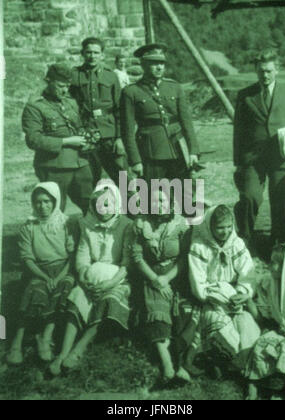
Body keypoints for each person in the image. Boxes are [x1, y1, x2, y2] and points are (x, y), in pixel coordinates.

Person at [49, 183, 133, 376]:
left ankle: (79, 348)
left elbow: (127, 264)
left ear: (116, 204)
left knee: (108, 301)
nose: (103, 209)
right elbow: (82, 257)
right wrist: (85, 277)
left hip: (117, 279)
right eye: (98, 205)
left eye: (108, 204)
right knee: (77, 296)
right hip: (92, 277)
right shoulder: (86, 225)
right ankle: (62, 353)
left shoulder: (127, 225)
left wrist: (110, 283)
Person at [132, 189, 201, 385]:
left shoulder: (181, 225)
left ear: (171, 203)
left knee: (180, 312)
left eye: (162, 200)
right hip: (151, 276)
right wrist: (156, 279)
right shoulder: (141, 225)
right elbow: (137, 257)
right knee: (157, 311)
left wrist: (167, 278)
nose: (159, 204)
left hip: (177, 276)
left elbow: (184, 257)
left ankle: (180, 363)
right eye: (154, 201)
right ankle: (168, 366)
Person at [233, 49, 285, 249]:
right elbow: (239, 131)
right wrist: (238, 163)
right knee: (250, 196)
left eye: (269, 71)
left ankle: (278, 243)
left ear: (277, 70)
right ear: (256, 70)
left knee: (279, 201)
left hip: (282, 156)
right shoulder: (245, 96)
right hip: (253, 159)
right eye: (261, 71)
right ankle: (245, 240)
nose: (265, 75)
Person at [6, 183, 76, 366]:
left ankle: (45, 336)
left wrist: (59, 277)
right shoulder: (29, 226)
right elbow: (27, 258)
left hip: (62, 269)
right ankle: (17, 341)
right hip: (38, 269)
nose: (42, 206)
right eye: (38, 202)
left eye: (47, 202)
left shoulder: (66, 223)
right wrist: (46, 277)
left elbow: (72, 256)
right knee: (34, 291)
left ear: (55, 202)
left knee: (62, 290)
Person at [189, 205, 261, 375]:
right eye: (220, 228)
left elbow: (247, 275)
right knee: (217, 325)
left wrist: (243, 293)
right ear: (209, 226)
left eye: (229, 227)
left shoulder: (236, 244)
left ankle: (245, 362)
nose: (225, 232)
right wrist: (219, 295)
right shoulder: (199, 247)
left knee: (246, 325)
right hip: (212, 300)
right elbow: (198, 284)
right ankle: (223, 361)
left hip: (236, 298)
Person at [120, 43, 199, 185]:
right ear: (143, 65)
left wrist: (193, 150)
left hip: (178, 149)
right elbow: (127, 131)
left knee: (186, 199)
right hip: (151, 153)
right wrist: (135, 160)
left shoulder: (174, 87)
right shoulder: (131, 92)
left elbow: (186, 122)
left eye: (162, 63)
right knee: (151, 199)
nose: (159, 67)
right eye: (153, 63)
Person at [22, 63, 93, 214]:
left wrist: (86, 140)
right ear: (48, 81)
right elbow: (33, 139)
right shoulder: (35, 106)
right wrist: (67, 141)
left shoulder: (70, 102)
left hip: (80, 162)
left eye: (67, 86)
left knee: (92, 206)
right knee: (55, 208)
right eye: (61, 86)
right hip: (54, 165)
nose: (65, 90)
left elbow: (79, 127)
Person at [245, 243, 285, 400]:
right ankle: (254, 386)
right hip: (282, 331)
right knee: (261, 345)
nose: (269, 266)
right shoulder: (272, 283)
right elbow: (267, 310)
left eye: (273, 262)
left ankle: (281, 390)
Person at [70, 37, 128, 185]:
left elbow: (119, 108)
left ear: (102, 54)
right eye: (88, 52)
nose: (92, 56)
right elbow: (71, 105)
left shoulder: (111, 75)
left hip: (109, 132)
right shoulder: (75, 75)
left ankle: (132, 206)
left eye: (96, 52)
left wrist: (120, 137)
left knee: (121, 175)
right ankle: (96, 207)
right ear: (82, 53)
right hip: (86, 132)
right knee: (91, 176)